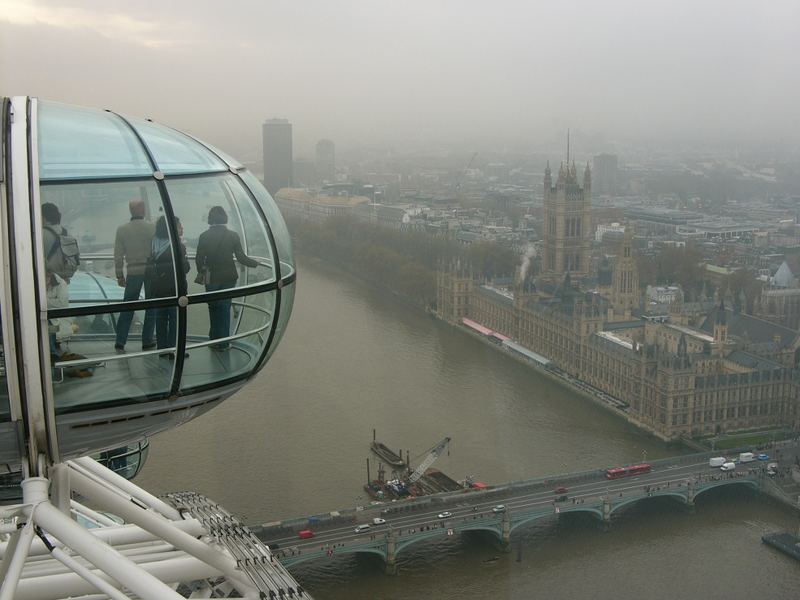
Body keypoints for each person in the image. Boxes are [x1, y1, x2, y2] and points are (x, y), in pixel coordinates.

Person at [195, 206, 258, 350]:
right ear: (224, 218)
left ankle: (213, 340)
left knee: (213, 307)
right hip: (229, 277)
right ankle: (223, 343)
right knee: (224, 308)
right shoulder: (233, 235)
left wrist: (203, 271)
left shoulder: (204, 236)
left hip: (211, 277)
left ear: (210, 219)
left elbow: (199, 259)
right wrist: (255, 264)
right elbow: (241, 258)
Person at [114, 199, 156, 353]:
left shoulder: (122, 229)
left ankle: (120, 340)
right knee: (151, 305)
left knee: (128, 305)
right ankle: (147, 340)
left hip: (133, 271)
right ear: (142, 210)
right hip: (151, 271)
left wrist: (119, 275)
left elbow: (118, 255)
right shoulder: (152, 227)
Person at [147, 216, 189, 355]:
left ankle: (162, 349)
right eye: (179, 225)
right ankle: (174, 349)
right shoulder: (178, 246)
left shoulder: (154, 244)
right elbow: (185, 268)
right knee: (175, 319)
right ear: (171, 228)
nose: (182, 227)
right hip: (174, 288)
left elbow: (149, 266)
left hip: (158, 287)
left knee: (161, 319)